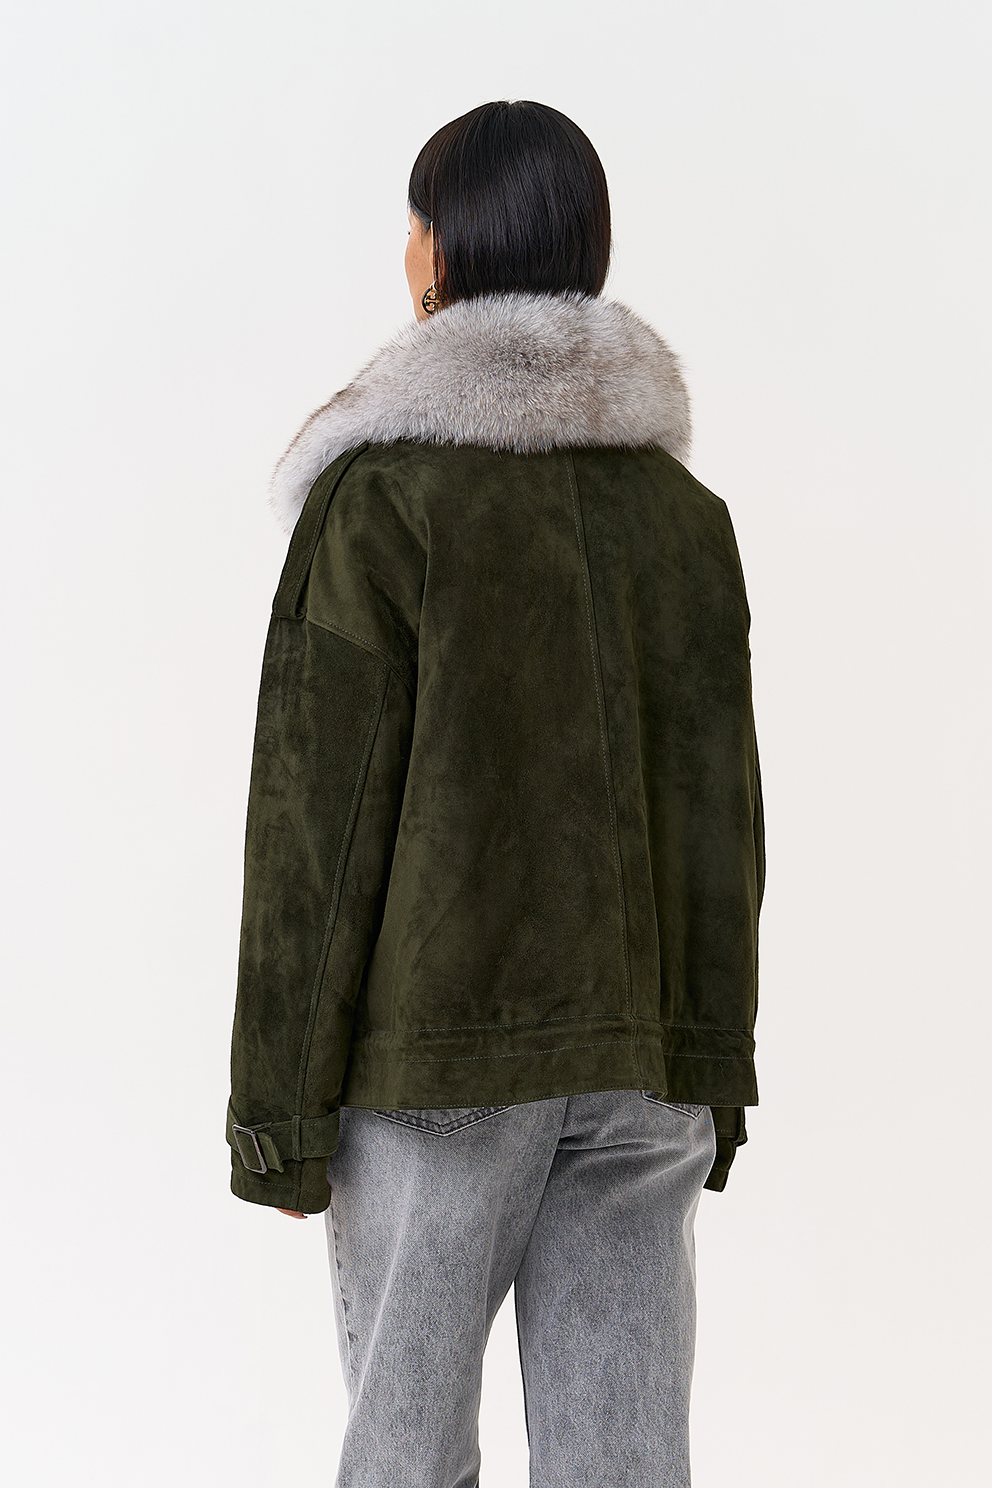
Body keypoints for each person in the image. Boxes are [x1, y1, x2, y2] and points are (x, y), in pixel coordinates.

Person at [226, 99, 765, 1488]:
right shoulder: (683, 521)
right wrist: (712, 1066)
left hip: (438, 1072)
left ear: (444, 252)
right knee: (623, 1467)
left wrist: (279, 1118)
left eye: (413, 223)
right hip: (641, 1067)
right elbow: (721, 819)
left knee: (405, 1462)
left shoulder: (382, 501)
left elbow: (313, 832)